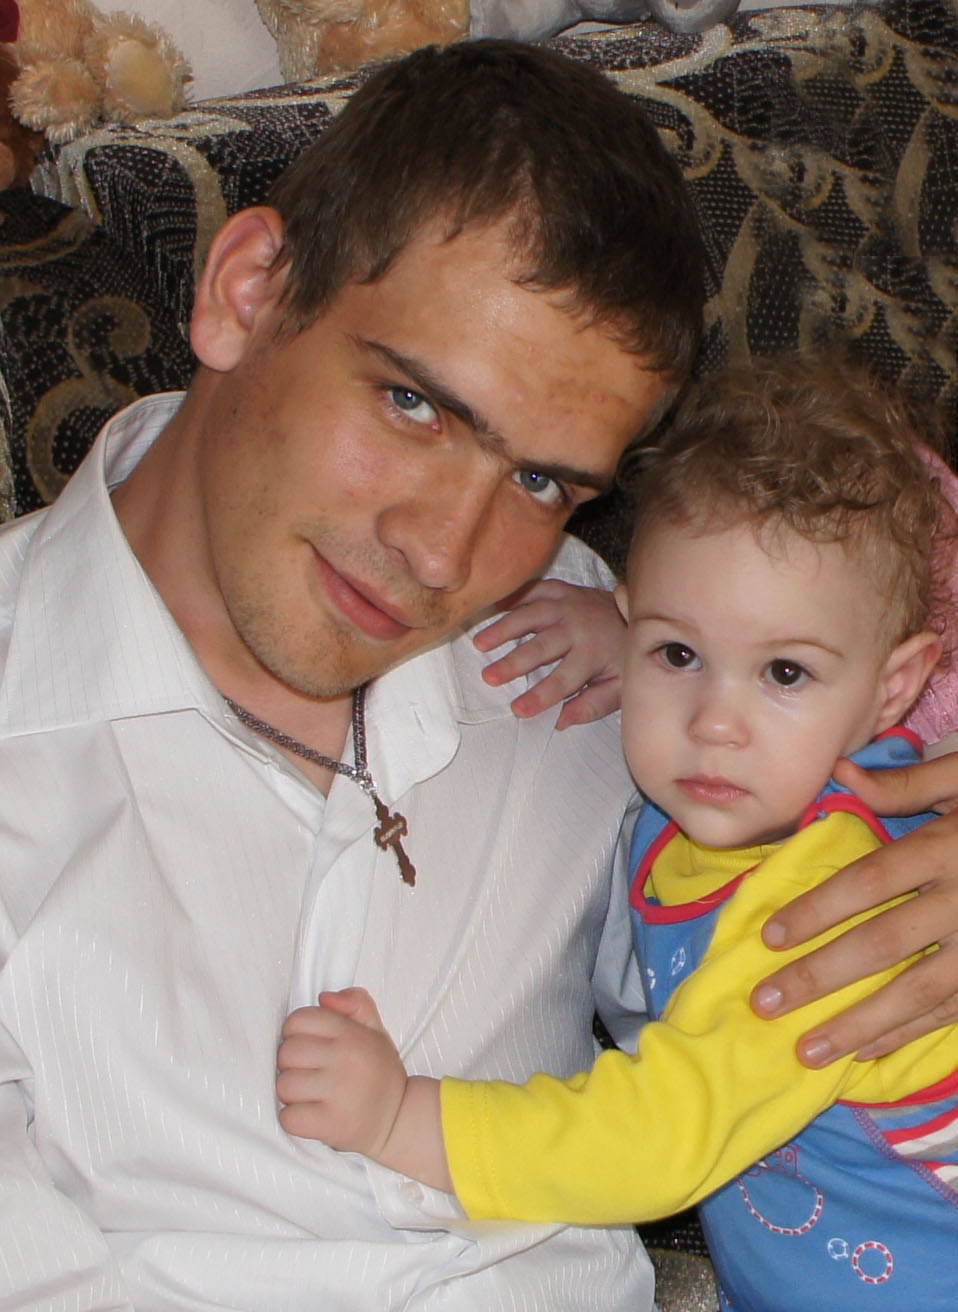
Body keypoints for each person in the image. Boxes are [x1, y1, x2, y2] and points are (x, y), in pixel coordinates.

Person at [0, 35, 955, 1310]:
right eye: (414, 406)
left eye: (542, 480)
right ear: (245, 291)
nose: (444, 553)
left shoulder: (604, 652)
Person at [276, 357, 958, 1311]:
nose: (715, 722)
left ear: (895, 688)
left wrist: (403, 1118)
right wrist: (647, 648)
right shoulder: (729, 800)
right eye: (679, 653)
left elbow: (653, 1143)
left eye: (786, 675)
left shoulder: (822, 905)